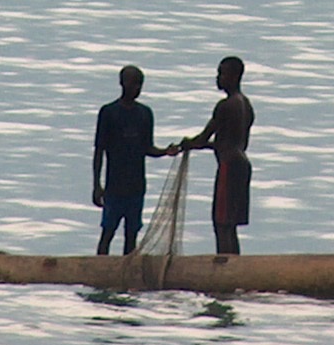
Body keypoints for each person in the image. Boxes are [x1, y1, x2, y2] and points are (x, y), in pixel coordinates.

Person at [179, 55, 255, 255]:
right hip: (242, 164)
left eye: (222, 74)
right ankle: (235, 265)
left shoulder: (225, 105)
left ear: (234, 76)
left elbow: (204, 137)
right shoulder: (246, 105)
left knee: (221, 223)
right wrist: (204, 146)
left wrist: (188, 144)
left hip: (228, 167)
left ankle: (224, 266)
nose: (218, 78)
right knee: (231, 224)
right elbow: (231, 141)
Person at [92, 65, 165, 256]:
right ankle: (100, 272)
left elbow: (148, 147)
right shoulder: (108, 112)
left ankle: (126, 276)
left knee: (131, 237)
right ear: (122, 83)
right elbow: (100, 151)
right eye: (134, 84)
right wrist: (97, 185)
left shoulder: (145, 114)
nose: (137, 89)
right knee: (107, 233)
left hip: (136, 187)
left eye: (140, 85)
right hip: (114, 188)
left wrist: (166, 152)